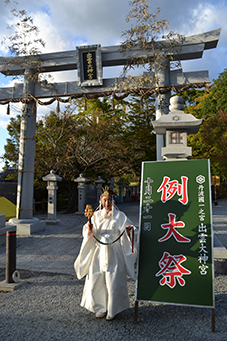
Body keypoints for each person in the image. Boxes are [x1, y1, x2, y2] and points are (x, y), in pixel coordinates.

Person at [74, 187, 137, 321]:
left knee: (113, 279)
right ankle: (100, 307)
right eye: (105, 200)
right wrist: (89, 230)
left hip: (114, 250)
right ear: (101, 201)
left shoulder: (120, 216)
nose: (107, 203)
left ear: (113, 201)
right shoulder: (95, 215)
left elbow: (130, 228)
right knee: (96, 278)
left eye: (109, 200)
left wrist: (129, 230)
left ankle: (113, 309)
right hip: (98, 250)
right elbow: (87, 231)